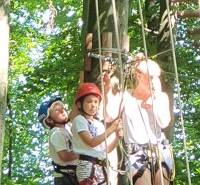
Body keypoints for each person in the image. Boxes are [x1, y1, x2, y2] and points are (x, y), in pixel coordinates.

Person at [121, 57, 174, 185]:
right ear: (139, 76)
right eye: (150, 77)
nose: (154, 81)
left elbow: (164, 122)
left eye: (157, 77)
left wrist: (154, 99)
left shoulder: (161, 97)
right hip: (136, 152)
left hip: (158, 150)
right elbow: (109, 115)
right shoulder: (125, 96)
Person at [71, 82, 124, 185]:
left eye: (96, 102)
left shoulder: (99, 124)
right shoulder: (79, 120)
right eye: (89, 101)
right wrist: (111, 129)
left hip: (100, 165)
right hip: (86, 164)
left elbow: (104, 150)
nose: (93, 105)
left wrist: (117, 138)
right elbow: (91, 142)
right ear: (79, 104)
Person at [39, 97, 79, 184]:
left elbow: (74, 112)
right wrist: (82, 154)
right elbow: (64, 156)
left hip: (74, 174)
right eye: (57, 110)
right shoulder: (56, 133)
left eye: (63, 108)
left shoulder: (67, 127)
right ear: (49, 120)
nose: (62, 111)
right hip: (65, 178)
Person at [100, 59, 123, 185]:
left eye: (109, 71)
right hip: (97, 135)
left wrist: (108, 91)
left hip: (111, 137)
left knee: (111, 177)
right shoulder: (93, 93)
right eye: (103, 71)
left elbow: (110, 115)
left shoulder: (119, 94)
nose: (106, 75)